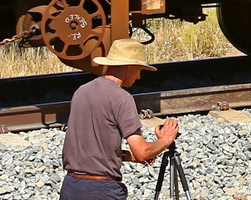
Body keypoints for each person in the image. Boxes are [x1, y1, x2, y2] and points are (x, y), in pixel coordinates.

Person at [59, 38, 180, 199]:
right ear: (129, 67)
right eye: (139, 70)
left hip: (71, 187)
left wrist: (128, 156)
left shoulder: (82, 91)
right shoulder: (122, 98)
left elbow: (93, 148)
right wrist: (165, 140)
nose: (138, 77)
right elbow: (142, 152)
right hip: (102, 190)